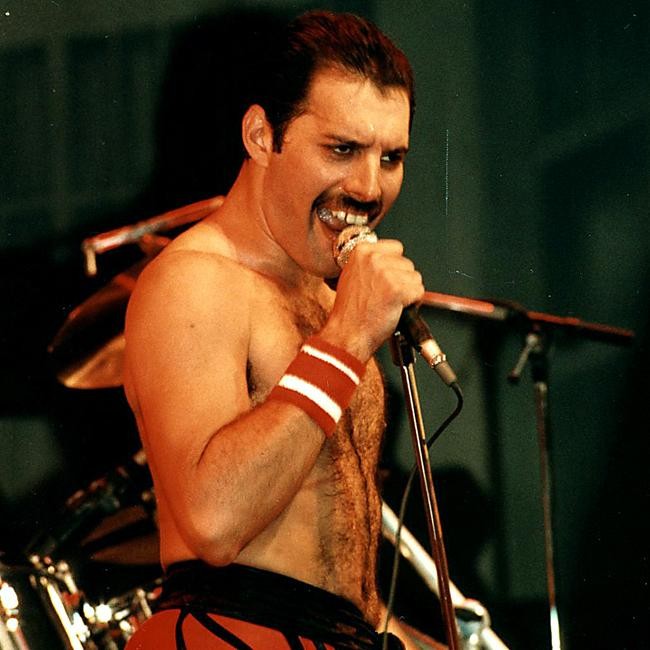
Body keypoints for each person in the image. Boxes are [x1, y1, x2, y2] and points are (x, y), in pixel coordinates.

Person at [123, 9, 444, 650]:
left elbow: (332, 573)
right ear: (260, 135)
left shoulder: (327, 300)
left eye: (391, 157)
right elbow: (214, 523)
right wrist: (349, 338)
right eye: (342, 149)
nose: (369, 187)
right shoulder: (195, 279)